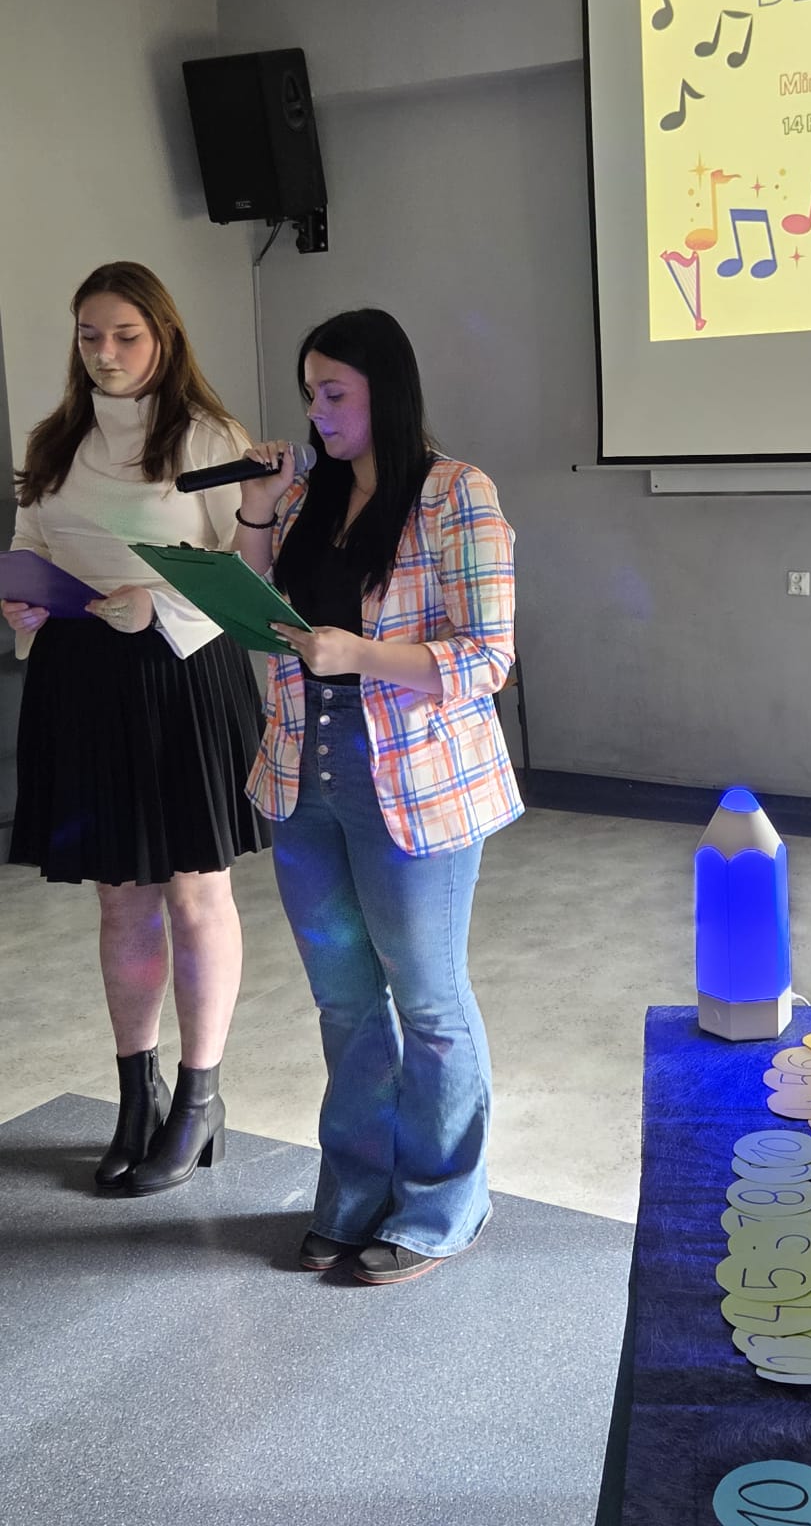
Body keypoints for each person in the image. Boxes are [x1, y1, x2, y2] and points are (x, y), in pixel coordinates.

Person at [234, 307, 522, 1285]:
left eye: (335, 393)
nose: (317, 413)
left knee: (428, 1000)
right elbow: (253, 611)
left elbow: (486, 655)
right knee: (344, 1002)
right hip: (301, 768)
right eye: (309, 393)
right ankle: (355, 1194)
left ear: (384, 391)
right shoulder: (305, 492)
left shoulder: (455, 493)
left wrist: (359, 654)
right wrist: (259, 506)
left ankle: (444, 1205)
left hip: (410, 776)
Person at [1, 262, 266, 1195]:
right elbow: (32, 541)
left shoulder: (210, 437)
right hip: (82, 676)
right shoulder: (55, 437)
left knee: (194, 893)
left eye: (125, 336)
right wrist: (21, 599)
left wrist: (156, 601)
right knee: (120, 898)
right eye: (90, 336)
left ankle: (201, 1097)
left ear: (164, 336)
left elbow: (248, 570)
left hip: (180, 677)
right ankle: (135, 1094)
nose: (105, 354)